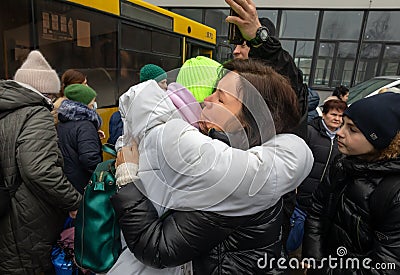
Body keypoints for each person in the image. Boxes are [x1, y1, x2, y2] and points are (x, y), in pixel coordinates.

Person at [111, 59, 314, 274]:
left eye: (221, 99)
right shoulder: (233, 156)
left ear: (248, 120)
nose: (206, 100)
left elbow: (158, 248)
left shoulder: (232, 178)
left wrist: (128, 180)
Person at [225, 0, 310, 249]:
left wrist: (259, 39)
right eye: (235, 45)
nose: (236, 52)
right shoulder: (237, 87)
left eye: (243, 45)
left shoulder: (284, 100)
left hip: (266, 225)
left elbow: (288, 79)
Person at [0, 50, 82, 274]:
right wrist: (73, 201)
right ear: (46, 93)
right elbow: (38, 170)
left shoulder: (7, 107)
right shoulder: (36, 114)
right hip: (26, 218)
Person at [303, 92, 400, 274]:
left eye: (352, 129)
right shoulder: (341, 163)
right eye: (343, 124)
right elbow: (317, 210)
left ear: (380, 139)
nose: (340, 132)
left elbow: (386, 266)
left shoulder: (394, 193)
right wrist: (313, 257)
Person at [286, 99, 347, 257]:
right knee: (291, 241)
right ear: (324, 114)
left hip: (321, 201)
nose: (337, 119)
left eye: (341, 116)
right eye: (333, 114)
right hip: (301, 197)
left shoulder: (342, 139)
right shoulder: (310, 132)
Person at [57, 83, 103, 194]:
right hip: (83, 184)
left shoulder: (62, 122)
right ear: (83, 104)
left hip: (68, 182)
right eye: (92, 103)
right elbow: (89, 159)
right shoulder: (86, 126)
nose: (94, 105)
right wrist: (100, 179)